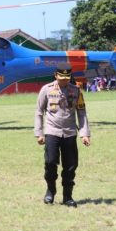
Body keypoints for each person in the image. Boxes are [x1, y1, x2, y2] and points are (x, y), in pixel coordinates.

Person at [34, 63, 91, 208]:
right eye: (61, 78)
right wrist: (39, 133)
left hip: (70, 132)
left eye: (67, 78)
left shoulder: (76, 91)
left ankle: (68, 196)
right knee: (51, 162)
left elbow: (81, 112)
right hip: (52, 132)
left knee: (70, 166)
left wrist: (84, 134)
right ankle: (50, 191)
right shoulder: (46, 90)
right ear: (55, 75)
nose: (64, 81)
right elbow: (39, 112)